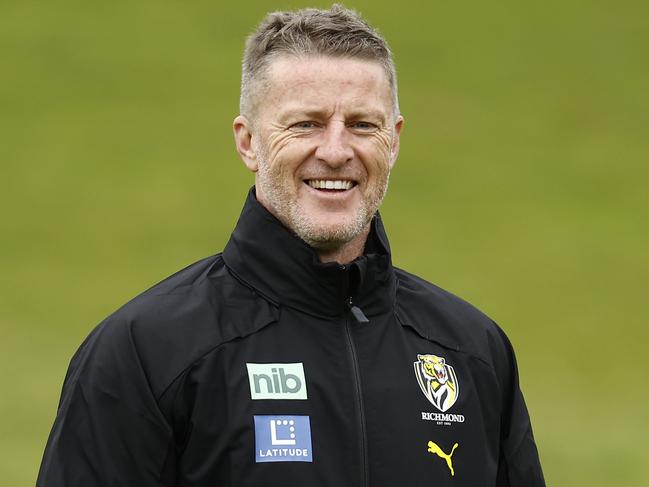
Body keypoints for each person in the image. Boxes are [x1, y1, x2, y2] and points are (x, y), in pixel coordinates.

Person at [37, 5, 545, 486]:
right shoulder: (145, 351)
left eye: (363, 125)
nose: (336, 150)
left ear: (394, 141)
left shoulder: (471, 351)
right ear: (248, 142)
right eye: (307, 124)